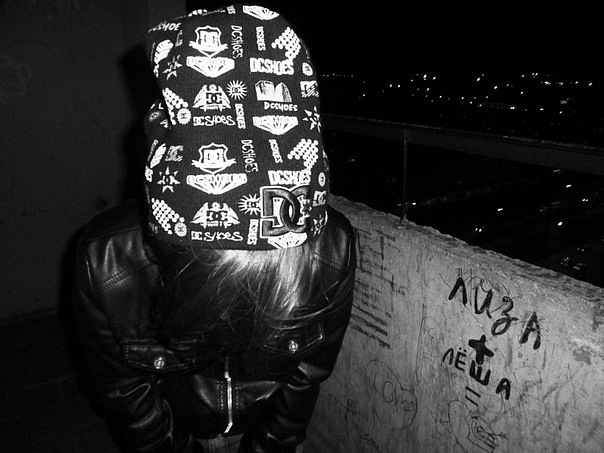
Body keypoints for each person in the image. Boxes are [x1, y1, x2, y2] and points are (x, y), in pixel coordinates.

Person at [72, 4, 356, 453]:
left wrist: (270, 446)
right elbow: (126, 393)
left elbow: (308, 374)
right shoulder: (106, 261)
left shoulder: (333, 248)